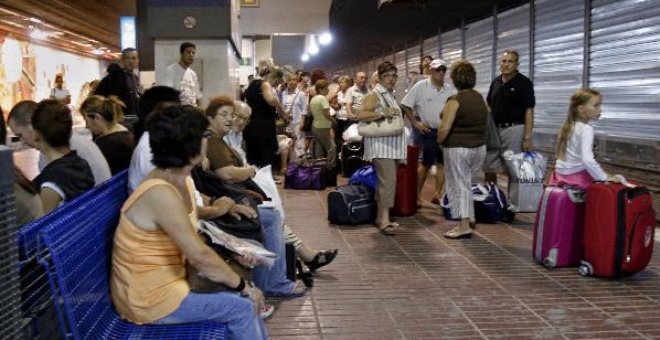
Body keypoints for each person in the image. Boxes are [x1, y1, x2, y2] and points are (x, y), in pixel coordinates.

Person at [110, 104, 268, 339]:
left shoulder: (178, 180)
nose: (209, 140)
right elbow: (199, 256)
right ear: (191, 146)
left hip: (167, 285)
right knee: (243, 306)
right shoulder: (160, 193)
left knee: (241, 300)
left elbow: (193, 238)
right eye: (205, 135)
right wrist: (244, 287)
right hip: (150, 300)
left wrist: (233, 251)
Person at [203, 96, 307, 297]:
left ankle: (292, 265)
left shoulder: (218, 140)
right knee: (271, 217)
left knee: (272, 214)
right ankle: (275, 282)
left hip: (227, 200)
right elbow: (226, 174)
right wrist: (249, 172)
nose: (232, 120)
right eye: (225, 115)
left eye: (232, 115)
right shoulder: (211, 140)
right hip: (223, 205)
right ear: (209, 117)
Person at [437, 60, 488, 239]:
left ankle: (463, 225)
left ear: (454, 79)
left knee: (459, 186)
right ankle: (471, 216)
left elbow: (444, 128)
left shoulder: (455, 100)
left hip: (458, 148)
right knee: (467, 183)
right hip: (479, 148)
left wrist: (439, 140)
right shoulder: (479, 98)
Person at [356, 61, 407, 235]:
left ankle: (381, 217)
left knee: (385, 182)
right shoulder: (375, 94)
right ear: (380, 77)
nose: (392, 79)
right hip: (381, 146)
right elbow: (361, 114)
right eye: (388, 76)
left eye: (394, 76)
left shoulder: (389, 94)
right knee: (388, 181)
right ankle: (384, 220)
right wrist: (381, 114)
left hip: (391, 146)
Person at [8, 100, 111, 186]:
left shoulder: (55, 152)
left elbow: (48, 199)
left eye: (20, 135)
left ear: (32, 125)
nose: (22, 142)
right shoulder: (72, 142)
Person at [401, 59, 453, 208]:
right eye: (437, 69)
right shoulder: (421, 86)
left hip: (444, 131)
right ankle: (416, 196)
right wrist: (415, 123)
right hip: (428, 131)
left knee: (442, 163)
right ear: (430, 70)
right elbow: (405, 105)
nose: (441, 72)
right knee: (426, 163)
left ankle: (437, 194)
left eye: (443, 69)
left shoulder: (449, 89)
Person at [30, 100, 95, 214]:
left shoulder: (51, 184)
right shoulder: (82, 164)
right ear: (70, 132)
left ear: (36, 134)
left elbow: (39, 226)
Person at [483, 49, 535, 184]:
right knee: (488, 166)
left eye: (510, 61)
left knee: (513, 168)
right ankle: (492, 199)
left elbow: (529, 110)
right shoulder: (495, 82)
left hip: (514, 130)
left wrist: (527, 137)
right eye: (504, 61)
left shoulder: (524, 83)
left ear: (517, 64)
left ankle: (513, 203)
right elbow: (489, 105)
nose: (506, 64)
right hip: (494, 130)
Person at [549, 89, 609, 189]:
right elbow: (587, 160)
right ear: (581, 109)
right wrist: (605, 178)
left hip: (559, 175)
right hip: (576, 178)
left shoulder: (568, 126)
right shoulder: (586, 129)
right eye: (595, 106)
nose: (600, 109)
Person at [243, 66, 285, 170]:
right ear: (275, 78)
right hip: (263, 126)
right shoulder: (265, 84)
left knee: (253, 156)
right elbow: (271, 99)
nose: (276, 86)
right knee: (265, 156)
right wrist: (280, 108)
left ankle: (255, 179)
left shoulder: (252, 84)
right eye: (277, 83)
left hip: (251, 124)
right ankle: (266, 180)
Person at [80, 95, 135, 175]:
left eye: (86, 120)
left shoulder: (104, 147)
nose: (87, 126)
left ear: (97, 118)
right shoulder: (128, 130)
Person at [94, 48, 141, 117]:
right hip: (119, 118)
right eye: (127, 58)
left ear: (137, 61)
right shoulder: (116, 76)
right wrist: (126, 109)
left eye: (133, 58)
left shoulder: (134, 77)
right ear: (122, 60)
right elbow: (112, 98)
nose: (131, 61)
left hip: (131, 116)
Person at [163, 42, 202, 106]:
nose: (191, 55)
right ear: (181, 54)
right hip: (178, 110)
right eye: (188, 52)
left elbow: (198, 97)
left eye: (193, 53)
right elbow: (167, 93)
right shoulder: (171, 70)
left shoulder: (193, 74)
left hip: (192, 109)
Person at [310, 80, 337, 168]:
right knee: (332, 147)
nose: (328, 91)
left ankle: (319, 168)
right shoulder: (322, 98)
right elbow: (326, 114)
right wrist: (334, 120)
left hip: (315, 126)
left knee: (319, 148)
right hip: (323, 127)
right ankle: (330, 167)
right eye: (326, 88)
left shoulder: (313, 98)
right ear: (321, 89)